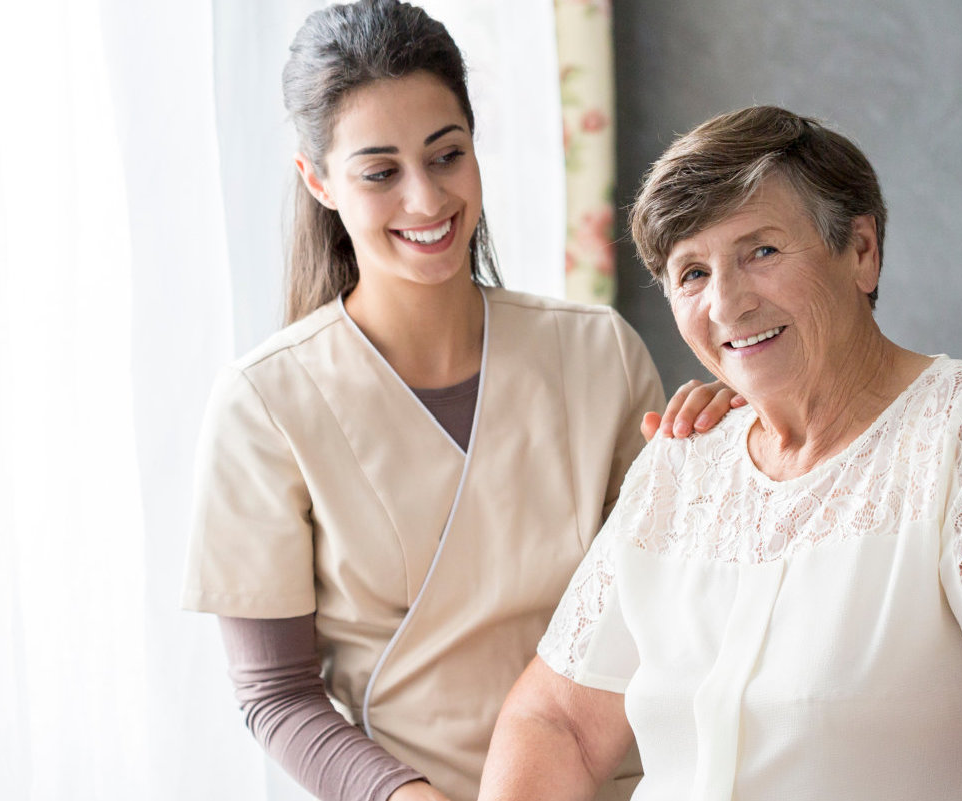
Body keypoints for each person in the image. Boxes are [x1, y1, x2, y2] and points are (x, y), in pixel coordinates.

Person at [478, 106, 962, 801]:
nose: (727, 305)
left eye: (760, 251)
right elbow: (557, 721)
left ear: (861, 251)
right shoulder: (679, 462)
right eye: (692, 274)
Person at [180, 3, 740, 800]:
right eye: (380, 171)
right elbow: (277, 694)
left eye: (447, 155)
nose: (425, 198)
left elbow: (677, 614)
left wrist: (728, 460)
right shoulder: (263, 405)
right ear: (318, 180)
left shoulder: (595, 352)